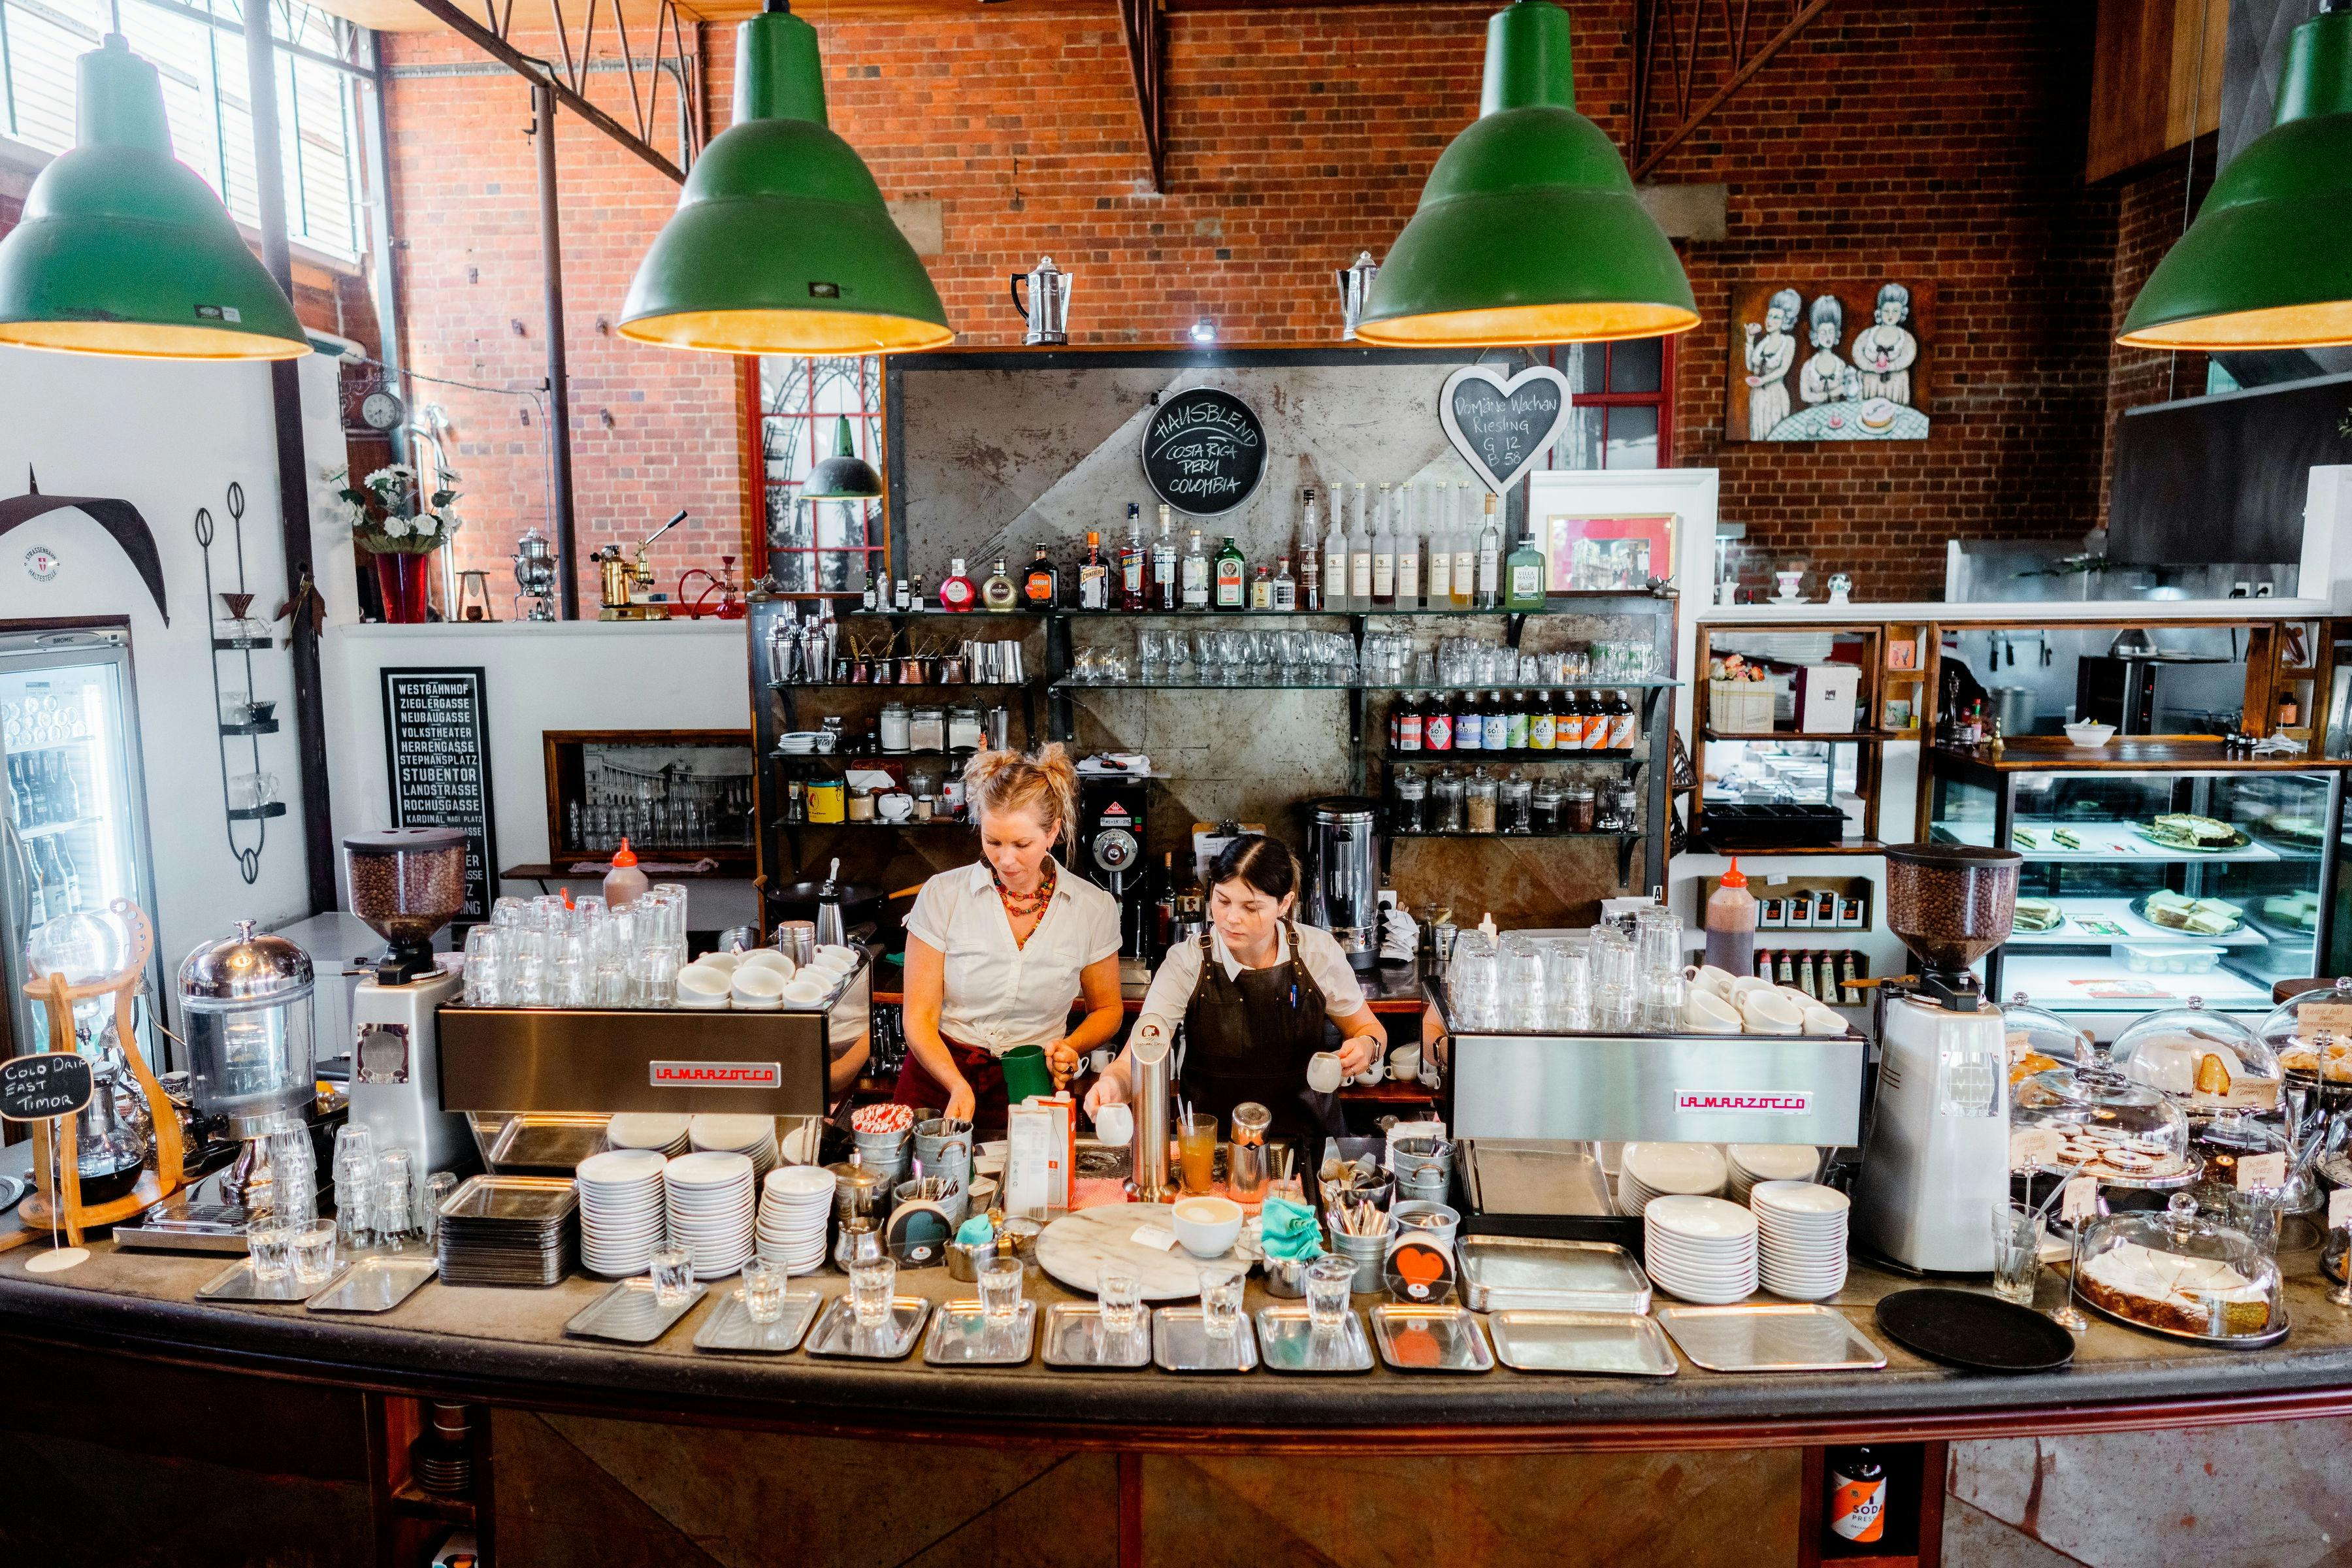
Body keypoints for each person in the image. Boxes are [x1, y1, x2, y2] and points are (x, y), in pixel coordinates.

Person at [1085, 835, 1385, 1141]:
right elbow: (1137, 1055)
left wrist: (1366, 1047)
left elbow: (1369, 1029)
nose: (1231, 918)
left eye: (1251, 907)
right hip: (1212, 1144)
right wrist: (1113, 1084)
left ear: (1284, 903)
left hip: (1306, 1141)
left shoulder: (1317, 953)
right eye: (1223, 900)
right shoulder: (1187, 961)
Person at [895, 744, 1124, 1126]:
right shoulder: (943, 895)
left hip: (1030, 1080)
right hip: (939, 1076)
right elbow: (919, 1015)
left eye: (1022, 844)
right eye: (993, 841)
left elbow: (1108, 1009)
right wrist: (955, 1084)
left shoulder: (1091, 908)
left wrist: (1071, 1047)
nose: (1006, 859)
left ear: (1052, 833)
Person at [1742, 287, 1800, 439]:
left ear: (1785, 321)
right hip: (1758, 397)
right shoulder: (1763, 343)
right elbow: (1750, 367)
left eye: (1776, 317)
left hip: (1776, 396)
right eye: (1769, 316)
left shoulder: (1788, 341)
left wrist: (1762, 380)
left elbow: (1783, 369)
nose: (1770, 320)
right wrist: (1750, 340)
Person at [1851, 282, 1918, 404]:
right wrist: (1871, 367)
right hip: (1871, 385)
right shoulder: (1868, 334)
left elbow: (1908, 356)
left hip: (1895, 388)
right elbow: (1857, 352)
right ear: (1880, 312)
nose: (1890, 315)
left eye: (1895, 311)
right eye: (1886, 310)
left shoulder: (1906, 338)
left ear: (1902, 312)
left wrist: (1890, 367)